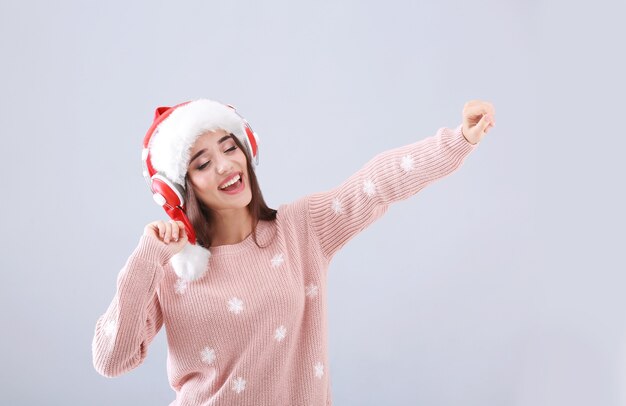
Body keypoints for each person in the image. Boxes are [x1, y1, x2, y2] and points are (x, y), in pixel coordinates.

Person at [91, 98, 496, 405]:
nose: (224, 166)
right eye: (201, 163)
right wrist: (147, 257)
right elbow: (112, 360)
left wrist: (457, 141)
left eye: (230, 148)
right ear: (180, 189)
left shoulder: (302, 229)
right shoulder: (170, 267)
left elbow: (378, 183)